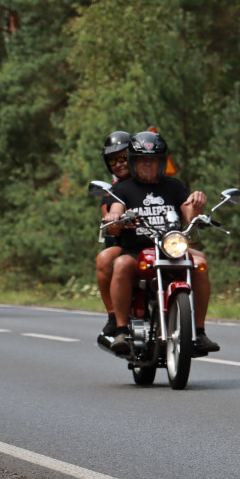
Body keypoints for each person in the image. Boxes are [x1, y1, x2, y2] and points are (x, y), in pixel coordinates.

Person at [104, 130, 219, 355]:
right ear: (134, 163)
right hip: (137, 250)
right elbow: (116, 209)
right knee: (120, 265)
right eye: (143, 161)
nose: (148, 165)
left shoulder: (174, 187)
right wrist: (114, 217)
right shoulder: (122, 189)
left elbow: (188, 214)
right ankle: (119, 330)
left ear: (161, 163)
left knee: (201, 261)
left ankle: (199, 331)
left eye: (153, 160)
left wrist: (197, 205)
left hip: (171, 249)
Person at [96, 131, 132, 338]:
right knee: (103, 259)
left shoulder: (155, 181)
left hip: (160, 242)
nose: (118, 164)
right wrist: (115, 220)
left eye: (123, 157)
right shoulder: (113, 192)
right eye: (112, 160)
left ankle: (195, 328)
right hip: (126, 245)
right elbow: (110, 220)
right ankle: (112, 315)